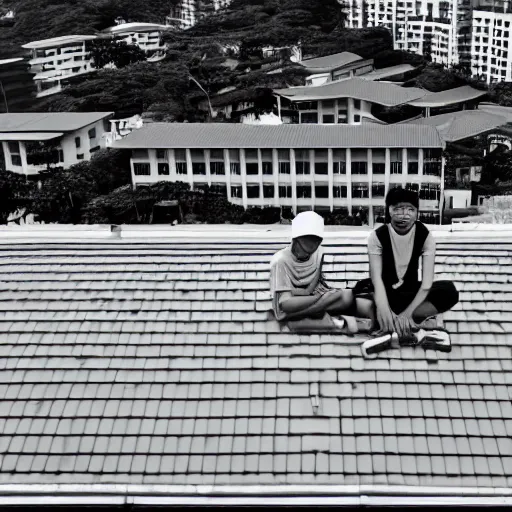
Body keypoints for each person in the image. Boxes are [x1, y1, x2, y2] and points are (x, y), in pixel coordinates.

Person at [363, 187, 459, 339]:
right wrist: (384, 308)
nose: (404, 215)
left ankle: (408, 320)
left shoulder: (425, 236)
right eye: (398, 209)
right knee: (362, 298)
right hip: (385, 293)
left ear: (416, 213)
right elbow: (377, 280)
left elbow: (426, 284)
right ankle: (389, 320)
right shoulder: (377, 236)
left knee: (448, 291)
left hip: (410, 293)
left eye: (410, 209)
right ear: (389, 210)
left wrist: (406, 316)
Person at [270, 210, 374, 326]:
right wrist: (322, 298)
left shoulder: (319, 253)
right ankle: (353, 322)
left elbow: (310, 289)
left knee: (356, 300)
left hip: (319, 299)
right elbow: (285, 304)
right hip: (296, 306)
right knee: (343, 299)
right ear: (294, 240)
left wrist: (327, 296)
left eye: (311, 251)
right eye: (303, 249)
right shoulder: (280, 261)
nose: (305, 255)